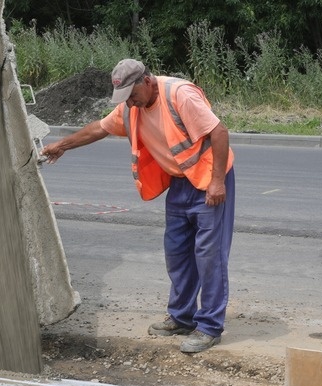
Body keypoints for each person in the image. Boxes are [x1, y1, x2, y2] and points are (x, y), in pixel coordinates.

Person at [41, 58, 235, 353]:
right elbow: (100, 128)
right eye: (125, 98)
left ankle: (209, 326)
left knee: (209, 255)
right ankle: (182, 318)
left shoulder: (179, 95)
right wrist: (62, 145)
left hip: (209, 179)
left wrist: (217, 181)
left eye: (133, 94)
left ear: (147, 81)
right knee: (177, 252)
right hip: (180, 182)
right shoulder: (132, 107)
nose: (130, 103)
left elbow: (219, 132)